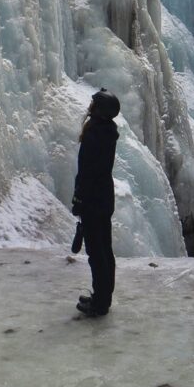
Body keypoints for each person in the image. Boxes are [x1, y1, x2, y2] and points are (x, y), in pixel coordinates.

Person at [71, 88, 120, 317]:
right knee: (104, 250)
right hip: (104, 198)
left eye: (94, 104)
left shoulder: (94, 134)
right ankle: (103, 297)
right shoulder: (108, 131)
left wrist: (79, 198)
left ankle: (99, 303)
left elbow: (87, 172)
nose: (89, 107)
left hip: (92, 199)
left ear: (99, 111)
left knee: (96, 252)